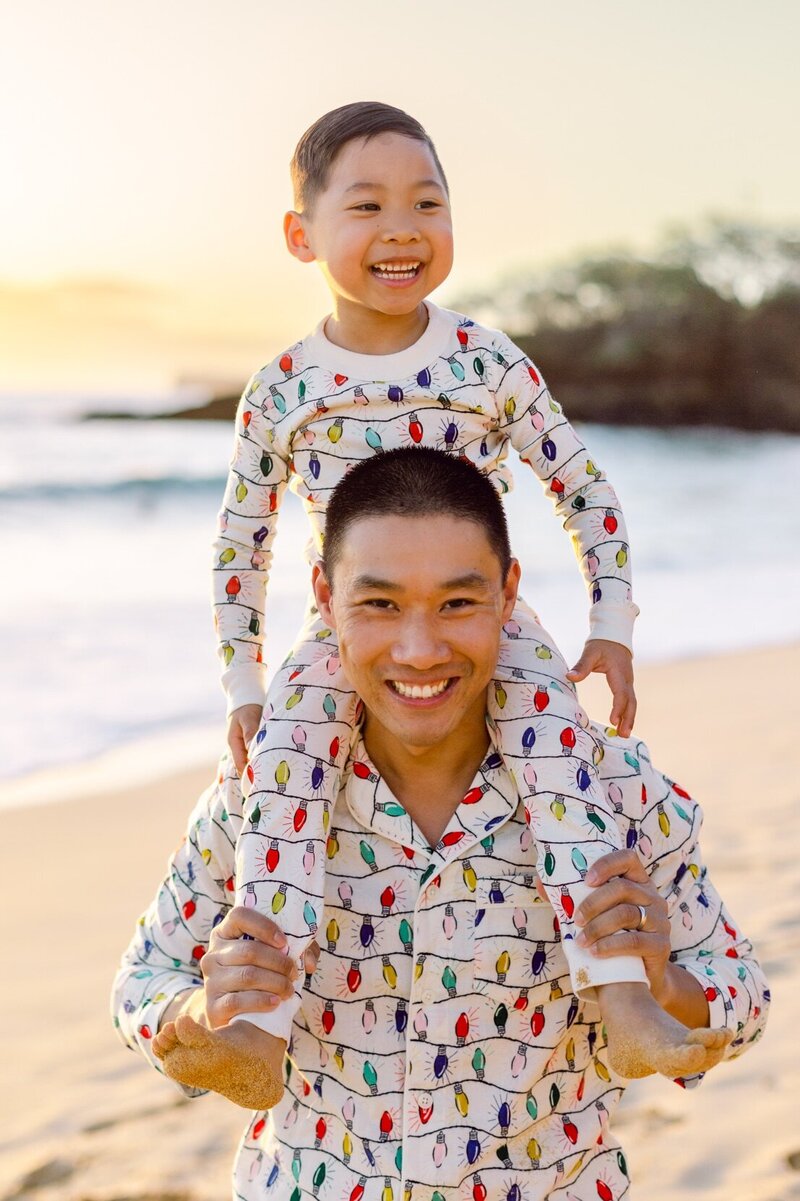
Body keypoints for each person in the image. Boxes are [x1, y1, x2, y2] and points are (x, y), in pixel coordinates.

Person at [113, 448, 768, 1201]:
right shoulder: (262, 798)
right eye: (380, 604)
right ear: (324, 598)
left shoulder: (617, 795)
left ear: (507, 594)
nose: (419, 649)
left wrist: (663, 978)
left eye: (457, 602)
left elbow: (742, 996)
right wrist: (201, 1004)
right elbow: (139, 981)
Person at [207, 99, 653, 1105]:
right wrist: (243, 681)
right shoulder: (281, 386)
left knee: (561, 758)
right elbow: (242, 541)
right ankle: (255, 1028)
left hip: (477, 622)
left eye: (427, 202)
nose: (402, 227)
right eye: (366, 205)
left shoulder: (486, 361)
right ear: (301, 234)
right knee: (281, 778)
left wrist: (609, 627)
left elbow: (581, 487)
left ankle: (622, 996)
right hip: (347, 637)